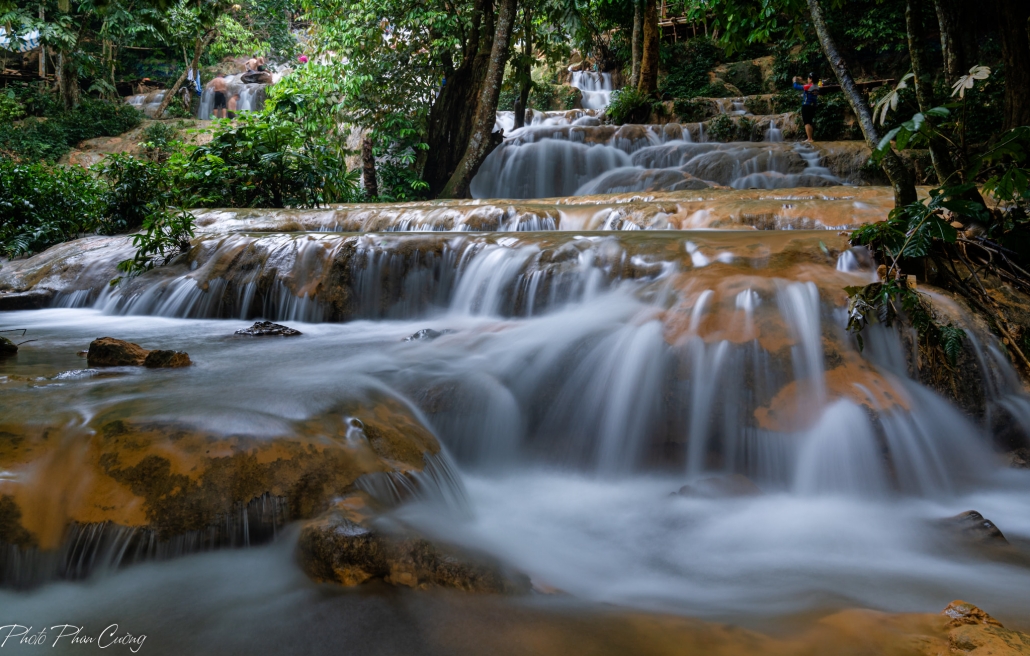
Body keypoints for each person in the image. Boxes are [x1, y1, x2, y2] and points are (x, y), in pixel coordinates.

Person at [793, 73, 821, 143]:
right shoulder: (816, 86)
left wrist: (794, 81)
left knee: (807, 123)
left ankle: (809, 139)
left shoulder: (809, 86)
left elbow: (796, 87)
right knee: (810, 122)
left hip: (806, 105)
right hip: (813, 106)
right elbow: (806, 85)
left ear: (811, 79)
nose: (807, 79)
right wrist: (801, 81)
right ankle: (810, 138)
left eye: (808, 78)